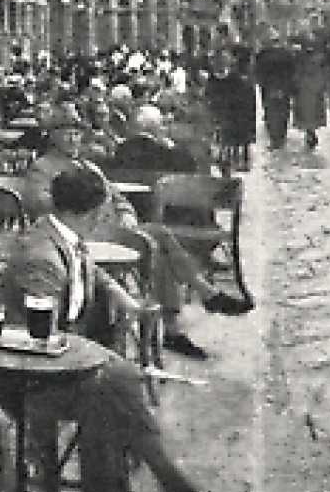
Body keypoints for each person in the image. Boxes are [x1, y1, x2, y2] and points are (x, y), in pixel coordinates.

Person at [1, 168, 231, 492]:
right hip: (33, 376)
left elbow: (87, 268)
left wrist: (119, 294)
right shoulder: (41, 256)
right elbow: (38, 339)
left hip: (66, 360)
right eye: (101, 214)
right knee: (119, 387)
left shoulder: (59, 233)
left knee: (113, 397)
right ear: (90, 214)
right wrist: (95, 358)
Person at [25, 105, 250, 359]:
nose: (72, 139)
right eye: (65, 133)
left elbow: (117, 196)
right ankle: (197, 301)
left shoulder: (88, 164)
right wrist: (76, 193)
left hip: (111, 227)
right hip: (84, 231)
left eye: (76, 133)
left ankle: (181, 315)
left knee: (157, 239)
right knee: (155, 239)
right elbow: (39, 204)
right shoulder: (43, 168)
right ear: (52, 137)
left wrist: (126, 213)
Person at [252, 28, 296, 150]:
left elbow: (257, 72)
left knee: (271, 112)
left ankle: (274, 139)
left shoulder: (262, 55)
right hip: (284, 86)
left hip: (269, 87)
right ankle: (281, 137)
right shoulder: (286, 54)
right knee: (283, 112)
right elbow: (292, 71)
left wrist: (262, 84)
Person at [293, 34, 329, 150]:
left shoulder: (301, 59)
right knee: (311, 112)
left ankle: (310, 132)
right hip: (313, 86)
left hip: (307, 87)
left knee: (308, 111)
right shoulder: (318, 59)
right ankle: (311, 132)